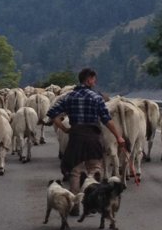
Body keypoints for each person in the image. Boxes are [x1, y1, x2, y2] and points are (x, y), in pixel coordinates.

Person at [46, 68, 126, 215]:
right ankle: (93, 204)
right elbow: (107, 120)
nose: (95, 82)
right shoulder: (96, 98)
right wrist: (118, 136)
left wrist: (64, 129)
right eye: (94, 79)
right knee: (94, 171)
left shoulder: (68, 97)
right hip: (92, 138)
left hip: (76, 137)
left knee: (75, 172)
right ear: (88, 79)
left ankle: (74, 207)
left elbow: (52, 114)